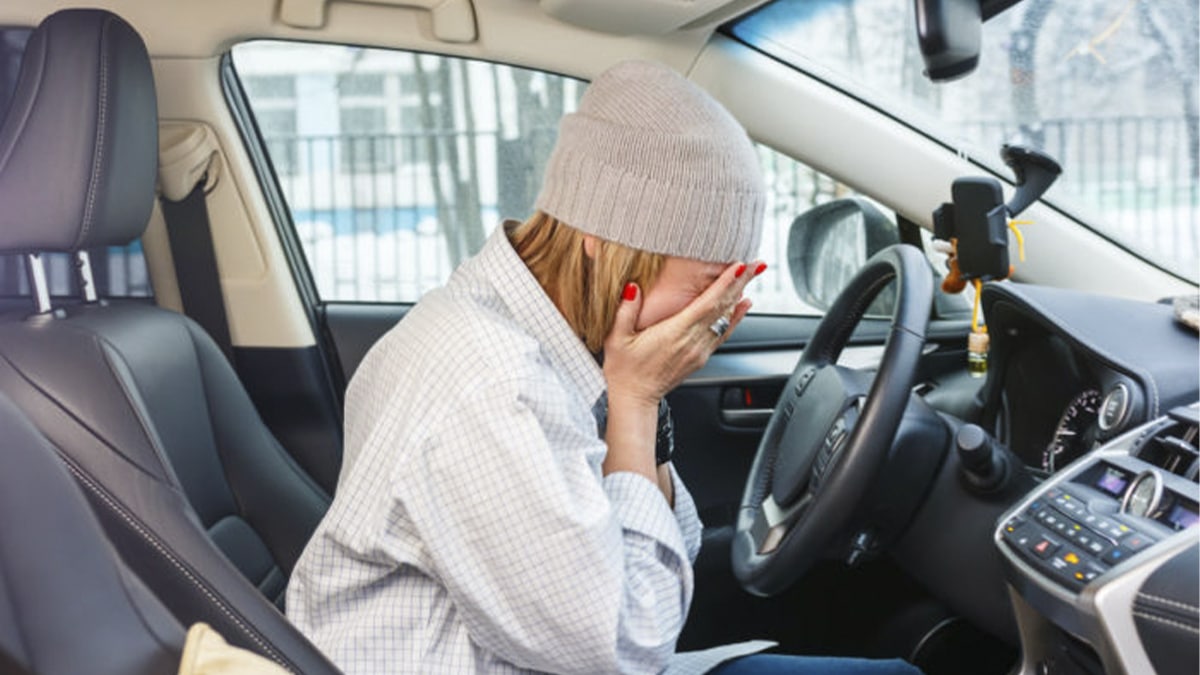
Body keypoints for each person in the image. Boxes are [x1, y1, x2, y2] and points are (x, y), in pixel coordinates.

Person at [287, 60, 921, 675]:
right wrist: (637, 399)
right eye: (707, 282)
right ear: (607, 246)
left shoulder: (542, 338)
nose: (717, 311)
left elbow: (670, 550)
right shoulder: (492, 383)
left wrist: (644, 396)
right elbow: (625, 645)